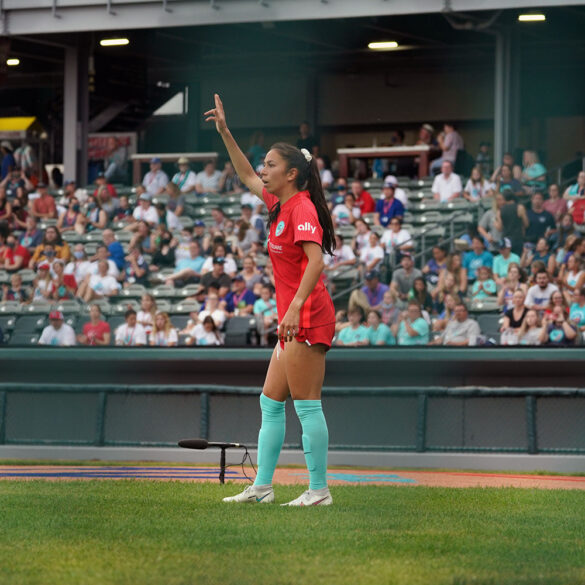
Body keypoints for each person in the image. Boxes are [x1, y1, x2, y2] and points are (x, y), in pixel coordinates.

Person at [206, 93, 335, 506]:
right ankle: (262, 486)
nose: (264, 170)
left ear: (292, 173)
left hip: (308, 314)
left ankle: (318, 491)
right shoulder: (280, 202)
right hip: (291, 316)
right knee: (270, 401)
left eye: (271, 165)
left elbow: (316, 261)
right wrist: (225, 132)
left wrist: (295, 307)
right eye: (265, 164)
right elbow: (245, 175)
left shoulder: (301, 208)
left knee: (307, 406)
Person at [495, 191, 528, 256]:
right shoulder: (520, 207)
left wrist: (495, 223)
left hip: (506, 239)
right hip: (517, 238)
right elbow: (526, 224)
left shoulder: (500, 211)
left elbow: (500, 228)